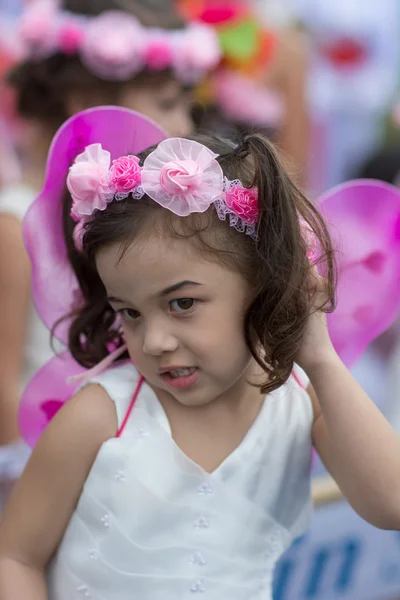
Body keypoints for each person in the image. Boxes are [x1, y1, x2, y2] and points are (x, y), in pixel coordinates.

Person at [1, 107, 400, 600]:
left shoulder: (301, 403)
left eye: (182, 303)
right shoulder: (101, 415)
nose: (154, 341)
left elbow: (391, 503)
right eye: (130, 313)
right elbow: (15, 556)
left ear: (264, 285)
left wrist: (318, 356)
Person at [0, 0, 220, 503]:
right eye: (166, 102)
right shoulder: (14, 224)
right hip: (48, 472)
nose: (184, 121)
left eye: (187, 103)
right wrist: (21, 482)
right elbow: (4, 375)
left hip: (132, 462)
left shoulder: (145, 211)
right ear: (83, 97)